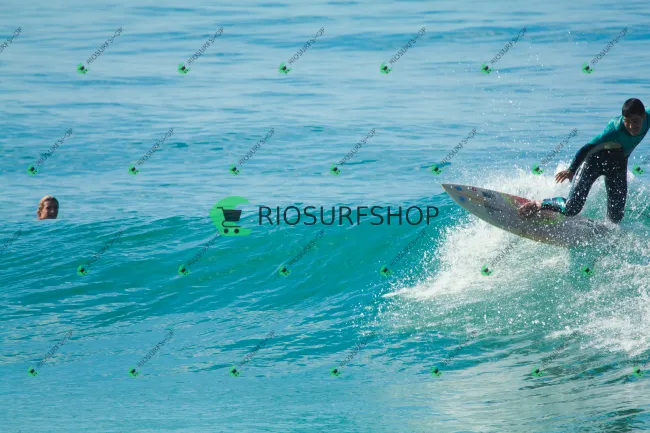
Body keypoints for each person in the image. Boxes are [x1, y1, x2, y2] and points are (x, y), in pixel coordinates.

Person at [519, 98, 650, 223]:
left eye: (635, 121)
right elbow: (586, 148)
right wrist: (571, 170)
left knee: (616, 217)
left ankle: (602, 230)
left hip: (617, 166)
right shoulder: (614, 130)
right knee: (571, 208)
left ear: (643, 116)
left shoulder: (648, 117)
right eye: (627, 121)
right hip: (594, 162)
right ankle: (539, 204)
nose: (631, 126)